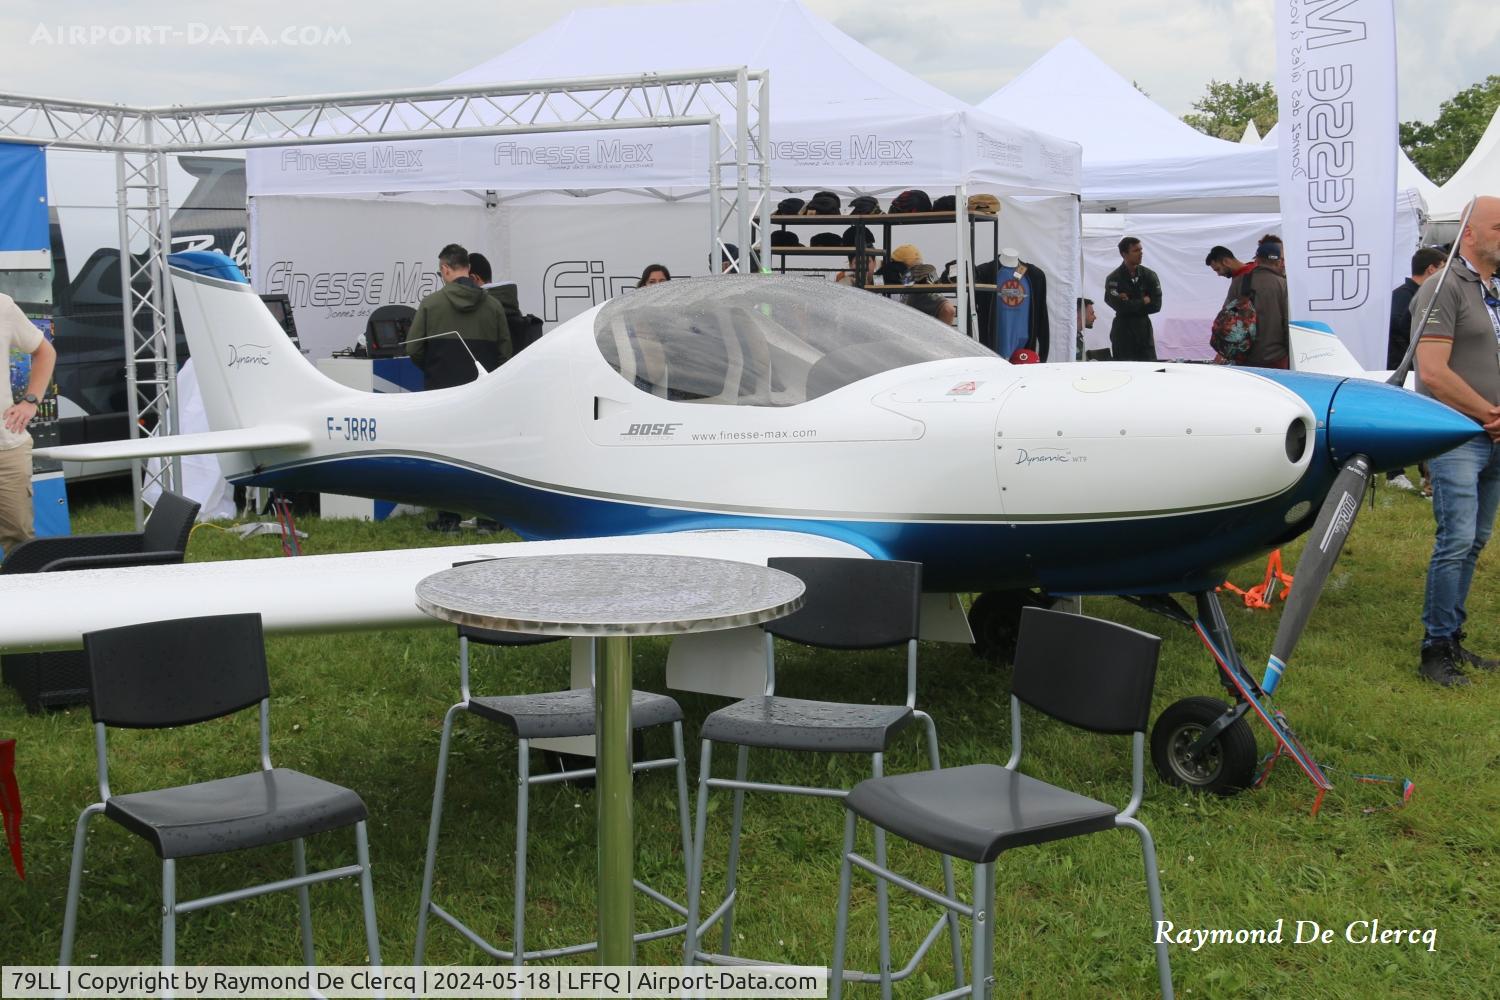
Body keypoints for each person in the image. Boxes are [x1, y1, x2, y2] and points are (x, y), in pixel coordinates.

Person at [1411, 195, 1500, 686]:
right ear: (1469, 233)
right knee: (1457, 539)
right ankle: (1435, 649)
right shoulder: (1444, 286)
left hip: (1490, 434)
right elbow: (1432, 373)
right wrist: (1489, 414)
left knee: (1475, 540)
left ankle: (1451, 636)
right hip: (1461, 434)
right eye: (1499, 227)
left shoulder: (1494, 288)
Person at [405, 243, 511, 532]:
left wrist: (435, 370)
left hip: (442, 393)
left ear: (445, 269)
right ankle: (489, 520)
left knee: (443, 455)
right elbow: (505, 355)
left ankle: (448, 519)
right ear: (469, 269)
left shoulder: (431, 304)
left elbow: (414, 349)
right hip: (484, 396)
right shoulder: (493, 306)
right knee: (486, 455)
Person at [1386, 247, 1448, 493]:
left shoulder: (1429, 294)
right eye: (1443, 266)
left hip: (1417, 367)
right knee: (1400, 421)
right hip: (1400, 368)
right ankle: (1395, 472)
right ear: (1431, 269)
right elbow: (1401, 328)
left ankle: (1426, 476)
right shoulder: (1403, 296)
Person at [1, 294, 56, 556]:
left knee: (20, 543)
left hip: (6, 447)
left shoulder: (2, 306)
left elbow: (45, 351)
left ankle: (22, 596)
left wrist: (31, 401)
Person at [1229, 238, 1289, 369]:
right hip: (1275, 357)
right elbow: (1287, 323)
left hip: (1242, 356)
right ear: (1279, 261)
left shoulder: (1239, 281)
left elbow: (1226, 314)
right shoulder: (1283, 285)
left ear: (1257, 260)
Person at [1103, 236, 1162, 361]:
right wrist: (1142, 301)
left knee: (1149, 370)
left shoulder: (1149, 276)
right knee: (1124, 370)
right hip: (1123, 331)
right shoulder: (1114, 278)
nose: (1141, 253)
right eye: (1136, 250)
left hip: (1143, 331)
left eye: (1141, 250)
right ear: (1124, 254)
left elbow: (1156, 305)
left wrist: (1129, 302)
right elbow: (1118, 306)